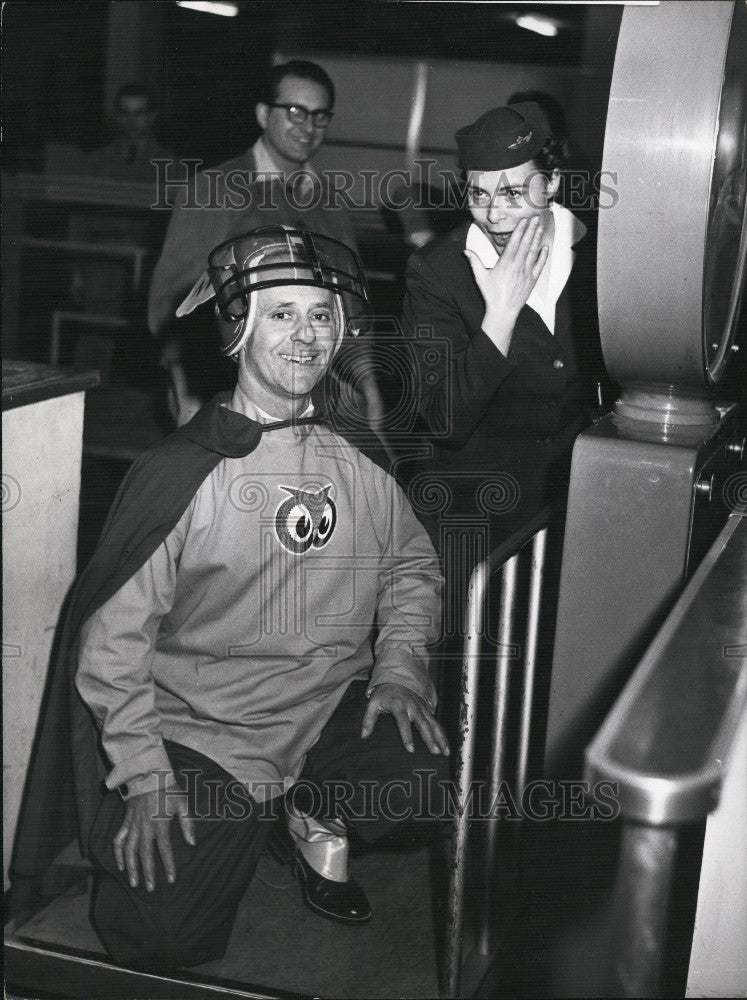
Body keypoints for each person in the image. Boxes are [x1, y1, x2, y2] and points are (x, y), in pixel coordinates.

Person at [66, 226, 449, 970]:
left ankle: (309, 806)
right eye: (281, 314)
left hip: (324, 710)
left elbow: (411, 565)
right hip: (211, 734)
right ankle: (248, 813)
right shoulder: (178, 473)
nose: (305, 335)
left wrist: (400, 665)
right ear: (237, 329)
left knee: (426, 781)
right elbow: (112, 646)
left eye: (320, 315)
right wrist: (146, 776)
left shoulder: (358, 456)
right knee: (156, 940)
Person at [396, 101, 607, 684]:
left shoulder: (600, 254)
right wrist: (502, 312)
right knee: (467, 687)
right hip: (471, 514)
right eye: (479, 193)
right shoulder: (436, 272)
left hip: (571, 506)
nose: (493, 214)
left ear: (553, 183)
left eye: (514, 192)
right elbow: (443, 419)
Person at [147, 60, 385, 449]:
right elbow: (170, 303)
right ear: (262, 114)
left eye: (320, 116)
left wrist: (365, 379)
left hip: (315, 386)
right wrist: (189, 391)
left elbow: (350, 302)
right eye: (295, 112)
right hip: (226, 388)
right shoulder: (214, 190)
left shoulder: (331, 202)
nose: (308, 127)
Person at [82, 82, 172, 182]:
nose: (131, 119)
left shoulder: (169, 165)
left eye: (139, 113)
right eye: (125, 112)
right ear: (117, 116)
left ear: (152, 116)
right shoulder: (96, 161)